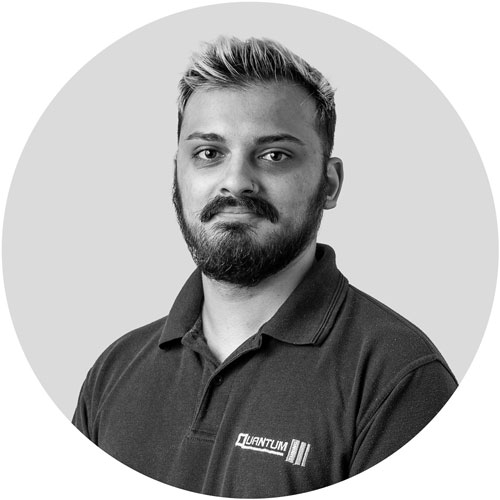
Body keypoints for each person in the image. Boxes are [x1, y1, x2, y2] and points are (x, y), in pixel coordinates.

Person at [73, 36, 457, 497]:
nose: (236, 182)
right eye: (209, 153)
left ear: (330, 184)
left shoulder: (398, 378)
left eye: (274, 155)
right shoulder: (114, 372)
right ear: (177, 174)